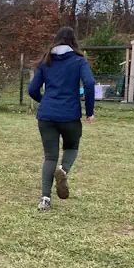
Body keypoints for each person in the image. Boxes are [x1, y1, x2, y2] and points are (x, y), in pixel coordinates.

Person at [27, 26, 95, 211]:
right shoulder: (78, 61)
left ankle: (45, 199)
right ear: (74, 42)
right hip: (70, 115)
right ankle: (63, 170)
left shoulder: (46, 60)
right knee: (72, 147)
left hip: (47, 115)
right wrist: (89, 111)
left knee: (50, 157)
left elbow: (32, 89)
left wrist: (45, 102)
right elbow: (89, 83)